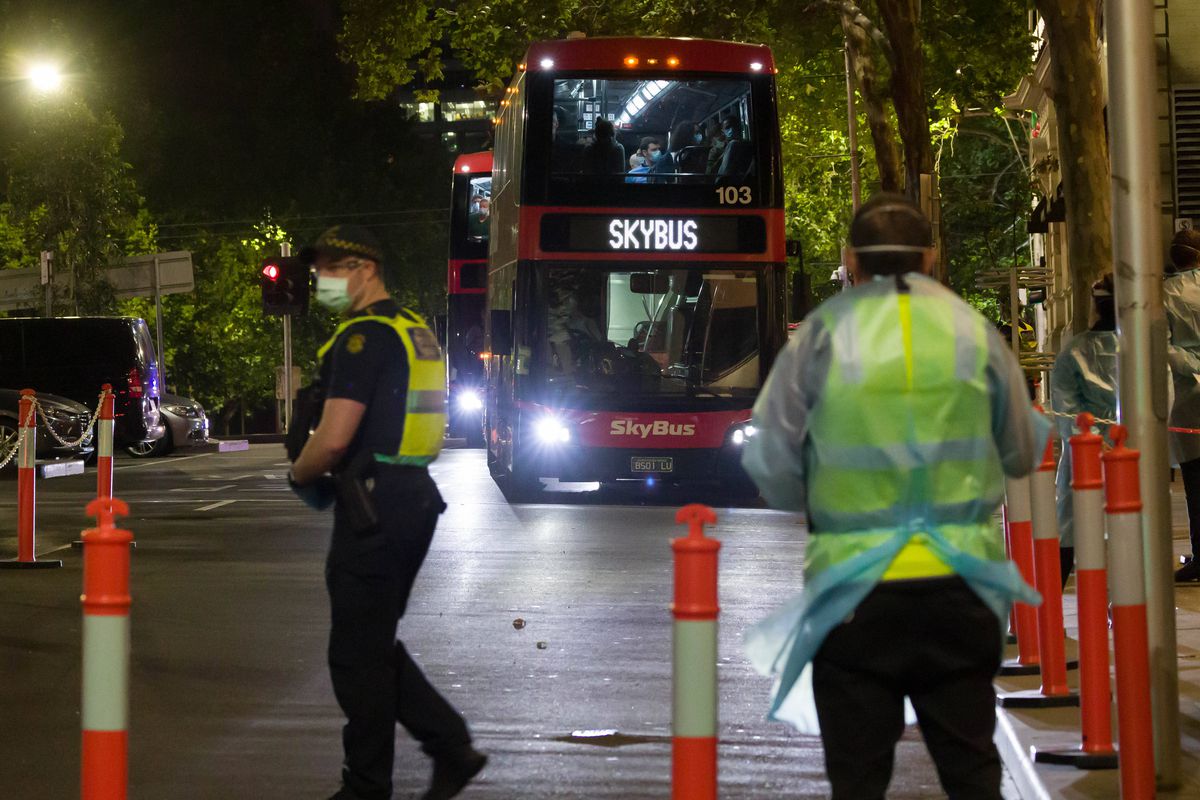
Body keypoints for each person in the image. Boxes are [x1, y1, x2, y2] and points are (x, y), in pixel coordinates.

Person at [741, 193, 1046, 800]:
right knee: (972, 769)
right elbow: (1021, 450)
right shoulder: (975, 332)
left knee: (858, 777)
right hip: (962, 589)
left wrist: (817, 497)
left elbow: (771, 459)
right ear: (930, 257)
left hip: (854, 594)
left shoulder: (821, 336)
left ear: (851, 259)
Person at [290, 224, 486, 800]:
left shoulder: (364, 337)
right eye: (319, 269)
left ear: (366, 270)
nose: (322, 279)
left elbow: (332, 438)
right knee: (369, 645)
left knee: (355, 655)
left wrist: (298, 471)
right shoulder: (414, 329)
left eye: (333, 267)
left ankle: (371, 786)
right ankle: (449, 748)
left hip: (373, 504)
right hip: (411, 498)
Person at [1049, 273, 1117, 588]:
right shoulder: (1141, 350)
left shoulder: (1074, 352)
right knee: (1130, 526)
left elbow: (1065, 411)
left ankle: (1051, 601)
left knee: (1070, 525)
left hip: (1084, 453)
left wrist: (1089, 440)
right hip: (1131, 449)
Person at [1165, 228, 1200, 582]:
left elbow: (1165, 345)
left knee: (1196, 479)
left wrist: (1194, 367)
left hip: (1190, 397)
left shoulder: (1164, 294)